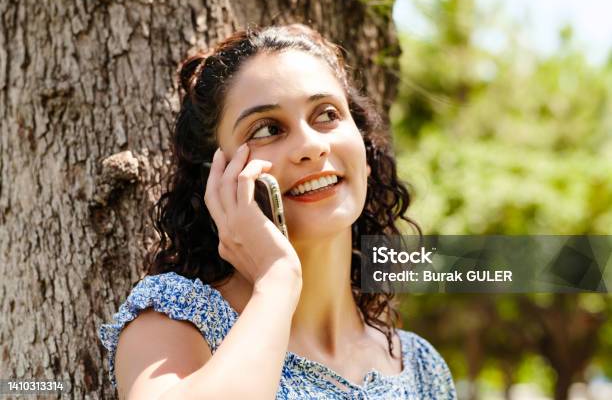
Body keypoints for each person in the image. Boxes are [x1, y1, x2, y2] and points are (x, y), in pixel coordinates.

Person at [98, 23, 457, 400]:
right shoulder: (174, 319)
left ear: (364, 150)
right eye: (267, 129)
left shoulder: (420, 367)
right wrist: (277, 280)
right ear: (218, 175)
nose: (311, 145)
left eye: (327, 114)